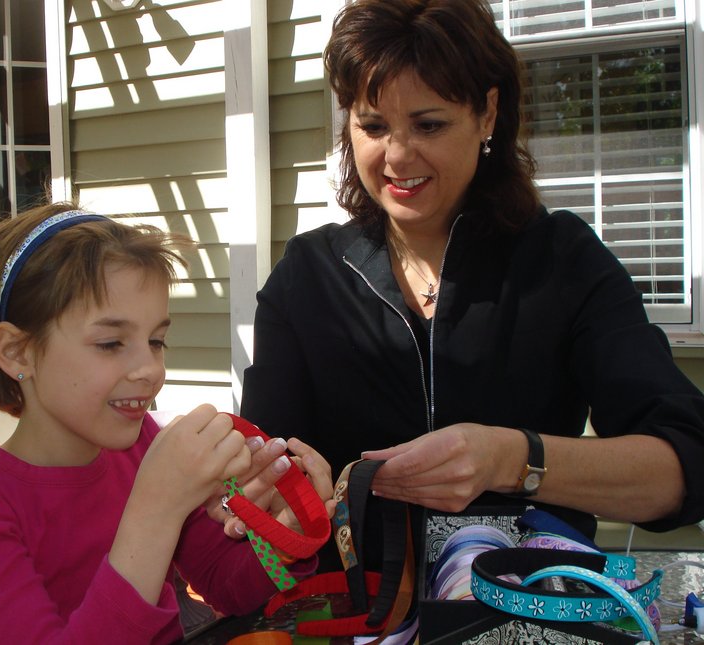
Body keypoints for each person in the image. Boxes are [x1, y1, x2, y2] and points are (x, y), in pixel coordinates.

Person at [240, 0, 704, 572]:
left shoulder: (562, 261)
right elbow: (269, 473)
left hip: (525, 611)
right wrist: (273, 495)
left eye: (429, 125)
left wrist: (513, 459)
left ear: (487, 113)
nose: (398, 155)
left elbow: (685, 466)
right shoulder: (308, 276)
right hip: (356, 616)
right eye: (373, 126)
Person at [0, 202, 335, 644]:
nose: (150, 369)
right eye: (110, 342)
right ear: (17, 352)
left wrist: (284, 535)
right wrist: (155, 509)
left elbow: (226, 586)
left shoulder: (141, 448)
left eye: (156, 340)